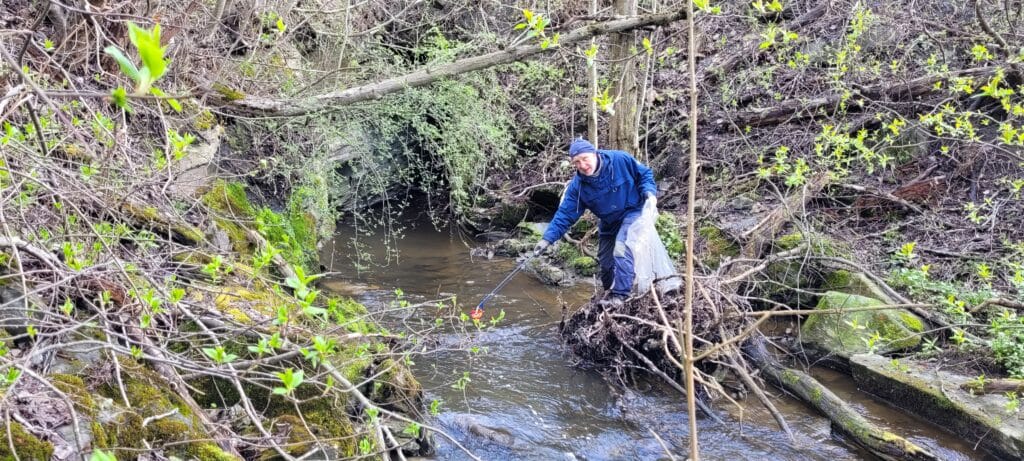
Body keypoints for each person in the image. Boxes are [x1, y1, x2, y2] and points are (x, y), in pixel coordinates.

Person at [534, 138, 658, 309]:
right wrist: (546, 240)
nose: (583, 165)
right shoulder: (578, 187)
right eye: (577, 162)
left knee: (621, 248)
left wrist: (649, 193)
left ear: (595, 153)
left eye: (585, 159)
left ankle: (620, 296)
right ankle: (608, 294)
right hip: (609, 222)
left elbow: (645, 175)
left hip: (633, 212)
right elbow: (565, 215)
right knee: (606, 264)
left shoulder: (620, 159)